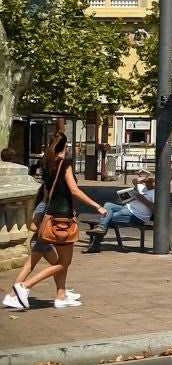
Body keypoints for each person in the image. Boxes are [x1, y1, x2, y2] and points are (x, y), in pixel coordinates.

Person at [11, 132, 103, 310]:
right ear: (66, 145)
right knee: (63, 262)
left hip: (50, 215)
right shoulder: (64, 162)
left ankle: (61, 295)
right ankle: (24, 286)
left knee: (50, 258)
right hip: (63, 218)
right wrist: (97, 206)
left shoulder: (46, 163)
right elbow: (74, 190)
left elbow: (46, 191)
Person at [86, 171, 155, 251]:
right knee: (108, 205)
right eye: (147, 182)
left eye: (151, 182)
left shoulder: (157, 193)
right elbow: (135, 180)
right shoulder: (144, 187)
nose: (148, 184)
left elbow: (156, 208)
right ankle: (101, 229)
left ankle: (96, 243)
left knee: (106, 218)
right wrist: (146, 178)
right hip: (128, 208)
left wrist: (143, 199)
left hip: (136, 216)